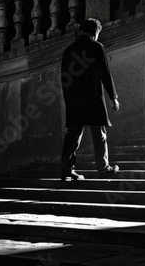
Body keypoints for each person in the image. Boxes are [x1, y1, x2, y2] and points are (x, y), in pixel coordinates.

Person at [60, 18, 120, 181]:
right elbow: (105, 74)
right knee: (99, 134)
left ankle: (67, 170)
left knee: (73, 135)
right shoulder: (97, 47)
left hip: (74, 98)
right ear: (96, 32)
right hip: (93, 97)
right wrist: (113, 97)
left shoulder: (69, 50)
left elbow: (64, 79)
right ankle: (103, 168)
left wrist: (68, 100)